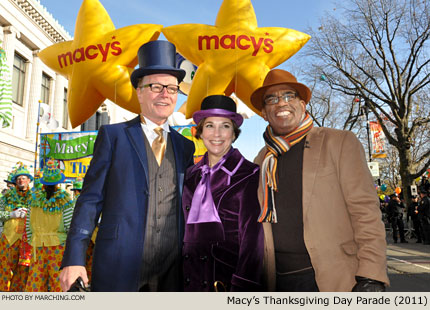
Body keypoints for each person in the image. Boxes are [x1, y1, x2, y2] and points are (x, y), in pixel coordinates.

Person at [60, 40, 195, 292]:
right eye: (156, 86)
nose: (165, 94)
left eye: (172, 88)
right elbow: (90, 200)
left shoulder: (186, 147)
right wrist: (74, 258)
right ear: (139, 91)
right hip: (118, 264)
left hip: (172, 271)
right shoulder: (113, 136)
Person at [250, 69, 389, 292]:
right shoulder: (261, 159)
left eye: (288, 96)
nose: (281, 104)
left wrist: (371, 274)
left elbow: (365, 212)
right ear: (264, 113)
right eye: (272, 99)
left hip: (333, 278)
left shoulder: (340, 142)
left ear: (303, 104)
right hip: (277, 281)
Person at [182, 95, 263, 292]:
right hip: (187, 281)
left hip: (225, 283)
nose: (217, 133)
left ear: (234, 134)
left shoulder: (250, 174)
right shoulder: (190, 175)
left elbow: (253, 243)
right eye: (209, 125)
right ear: (200, 132)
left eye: (225, 126)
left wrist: (242, 288)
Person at [25, 159, 74, 292]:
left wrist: (33, 240)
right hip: (58, 246)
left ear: (44, 184)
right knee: (58, 283)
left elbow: (28, 227)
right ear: (58, 183)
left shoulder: (33, 200)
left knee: (35, 281)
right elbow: (69, 226)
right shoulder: (65, 200)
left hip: (37, 246)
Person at [0, 163, 33, 291]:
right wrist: (11, 214)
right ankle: (4, 294)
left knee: (24, 269)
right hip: (9, 238)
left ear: (29, 180)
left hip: (28, 239)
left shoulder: (35, 197)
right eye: (18, 178)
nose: (21, 180)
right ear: (15, 181)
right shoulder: (6, 197)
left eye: (24, 178)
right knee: (6, 267)